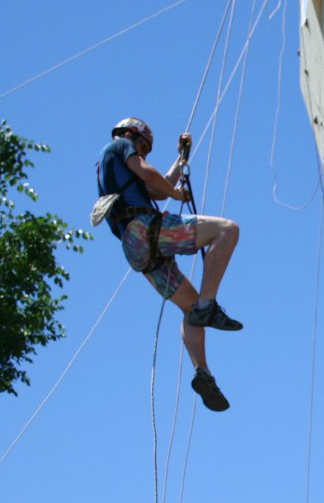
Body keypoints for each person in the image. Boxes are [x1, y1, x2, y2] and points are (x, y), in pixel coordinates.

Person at [95, 117, 241, 411]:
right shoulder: (120, 146)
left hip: (136, 248)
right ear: (129, 135)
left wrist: (181, 158)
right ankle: (208, 303)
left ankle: (203, 372)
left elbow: (158, 188)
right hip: (144, 227)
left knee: (190, 309)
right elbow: (149, 174)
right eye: (142, 146)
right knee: (227, 229)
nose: (143, 153)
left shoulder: (116, 173)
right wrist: (177, 194)